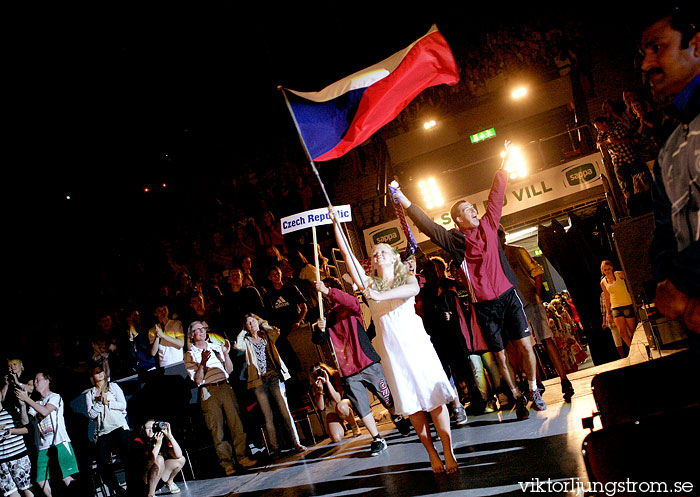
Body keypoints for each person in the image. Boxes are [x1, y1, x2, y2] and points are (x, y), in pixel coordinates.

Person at [392, 142, 546, 421]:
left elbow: (497, 193)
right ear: (458, 220)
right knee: (500, 357)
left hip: (509, 296)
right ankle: (516, 396)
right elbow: (427, 224)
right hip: (485, 306)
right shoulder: (454, 241)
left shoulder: (489, 224)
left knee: (525, 346)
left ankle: (534, 390)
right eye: (467, 210)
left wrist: (505, 160)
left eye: (473, 208)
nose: (474, 211)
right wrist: (402, 196)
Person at [330, 211, 459, 475]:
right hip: (392, 353)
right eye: (374, 254)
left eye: (382, 251)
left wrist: (378, 294)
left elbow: (410, 291)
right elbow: (349, 258)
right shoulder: (368, 283)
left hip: (417, 347)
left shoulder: (406, 279)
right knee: (412, 407)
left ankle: (448, 449)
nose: (377, 255)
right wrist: (336, 224)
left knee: (434, 401)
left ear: (393, 258)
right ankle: (432, 453)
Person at [639, 4, 700, 335]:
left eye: (657, 47)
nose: (647, 64)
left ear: (697, 46)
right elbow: (663, 231)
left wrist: (684, 281)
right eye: (643, 52)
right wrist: (670, 284)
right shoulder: (669, 150)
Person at [312, 277, 412, 455]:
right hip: (348, 370)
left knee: (386, 397)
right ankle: (377, 438)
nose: (327, 296)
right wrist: (319, 330)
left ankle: (397, 416)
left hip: (367, 362)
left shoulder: (351, 305)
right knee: (361, 406)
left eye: (330, 291)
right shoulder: (328, 317)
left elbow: (346, 299)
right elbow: (320, 340)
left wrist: (328, 291)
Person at [499, 227, 575, 402]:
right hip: (515, 308)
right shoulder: (494, 260)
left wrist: (537, 294)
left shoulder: (516, 251)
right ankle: (537, 385)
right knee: (527, 346)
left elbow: (537, 270)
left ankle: (564, 380)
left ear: (503, 237)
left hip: (530, 302)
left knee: (546, 339)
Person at [184, 321, 255, 475]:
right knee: (217, 429)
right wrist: (202, 362)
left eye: (203, 328)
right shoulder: (190, 354)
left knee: (237, 423)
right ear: (191, 335)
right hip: (208, 391)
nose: (202, 331)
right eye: (198, 330)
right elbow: (197, 380)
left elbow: (229, 369)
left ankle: (243, 458)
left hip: (224, 386)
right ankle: (228, 465)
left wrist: (226, 354)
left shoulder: (215, 346)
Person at [233, 314, 306, 459]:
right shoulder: (246, 341)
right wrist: (242, 330)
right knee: (268, 416)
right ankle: (275, 448)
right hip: (259, 381)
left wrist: (262, 322)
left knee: (285, 411)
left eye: (253, 321)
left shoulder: (267, 334)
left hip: (274, 376)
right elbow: (238, 345)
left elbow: (275, 333)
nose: (252, 324)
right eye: (248, 322)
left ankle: (296, 443)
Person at [16, 372, 79, 497]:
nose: (35, 382)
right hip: (43, 446)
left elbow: (45, 411)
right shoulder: (37, 402)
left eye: (37, 380)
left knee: (66, 478)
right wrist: (23, 406)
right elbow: (25, 422)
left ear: (47, 381)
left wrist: (27, 399)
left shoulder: (55, 397)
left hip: (59, 442)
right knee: (40, 480)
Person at [593, 115, 653, 216]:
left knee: (641, 179)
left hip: (629, 156)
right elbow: (598, 144)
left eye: (599, 126)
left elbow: (629, 138)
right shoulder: (601, 134)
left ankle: (649, 202)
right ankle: (632, 208)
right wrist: (607, 141)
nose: (598, 129)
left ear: (604, 123)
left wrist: (615, 141)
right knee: (624, 183)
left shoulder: (618, 127)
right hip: (618, 160)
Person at [85, 364, 129, 496]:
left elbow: (123, 405)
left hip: (118, 426)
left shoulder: (113, 387)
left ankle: (133, 486)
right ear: (92, 376)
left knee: (127, 457)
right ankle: (117, 488)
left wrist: (108, 403)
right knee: (102, 462)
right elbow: (91, 415)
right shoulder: (90, 394)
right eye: (96, 372)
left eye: (101, 371)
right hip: (104, 431)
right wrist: (98, 402)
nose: (99, 374)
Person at [309, 362, 362, 443]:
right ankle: (342, 425)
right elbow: (321, 407)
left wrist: (328, 382)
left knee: (340, 407)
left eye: (319, 372)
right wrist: (320, 390)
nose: (318, 376)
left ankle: (353, 425)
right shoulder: (316, 386)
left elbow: (338, 399)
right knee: (336, 438)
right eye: (315, 375)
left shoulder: (335, 375)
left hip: (344, 404)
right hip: (331, 410)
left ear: (325, 370)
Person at [132, 420, 185, 497]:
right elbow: (149, 463)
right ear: (143, 429)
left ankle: (169, 481)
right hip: (144, 483)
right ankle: (151, 494)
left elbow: (178, 455)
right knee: (159, 459)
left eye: (153, 427)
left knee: (181, 459)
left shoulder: (160, 439)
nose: (151, 430)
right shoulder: (138, 441)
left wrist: (170, 436)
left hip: (158, 480)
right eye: (148, 428)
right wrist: (158, 444)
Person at [0, 384, 33, 497]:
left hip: (19, 456)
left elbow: (27, 429)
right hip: (2, 461)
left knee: (27, 488)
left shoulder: (11, 410)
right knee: (11, 493)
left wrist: (12, 431)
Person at [600, 261, 637, 350]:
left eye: (608, 269)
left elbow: (631, 282)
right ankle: (633, 350)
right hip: (615, 307)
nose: (607, 271)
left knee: (633, 331)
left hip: (627, 304)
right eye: (605, 270)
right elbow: (607, 297)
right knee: (622, 332)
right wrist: (608, 313)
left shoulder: (619, 274)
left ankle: (640, 347)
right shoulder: (603, 282)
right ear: (602, 271)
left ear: (612, 268)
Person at [148, 299, 185, 369]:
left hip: (178, 362)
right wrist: (157, 336)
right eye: (159, 310)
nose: (163, 312)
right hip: (164, 365)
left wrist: (163, 335)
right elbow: (153, 352)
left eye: (164, 309)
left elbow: (181, 343)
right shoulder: (152, 330)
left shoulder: (176, 323)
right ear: (155, 313)